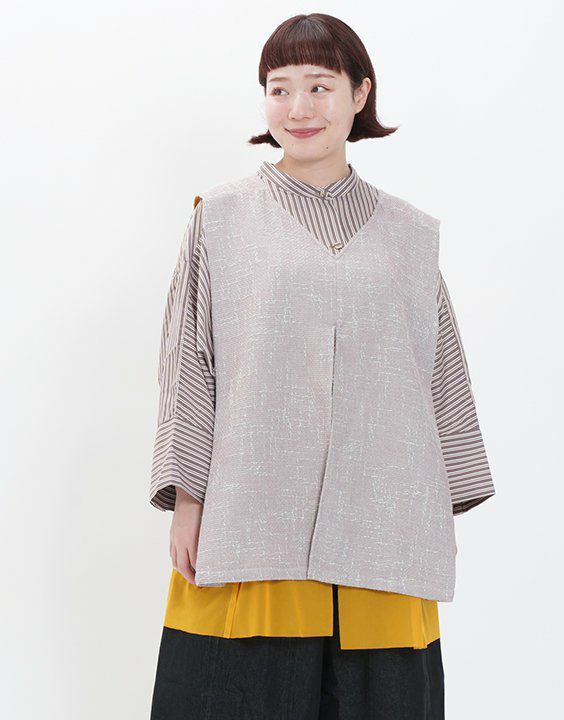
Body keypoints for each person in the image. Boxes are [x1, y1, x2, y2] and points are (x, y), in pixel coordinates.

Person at [148, 12, 496, 720]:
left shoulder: (410, 236)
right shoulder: (219, 219)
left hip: (383, 520)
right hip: (252, 514)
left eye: (319, 86)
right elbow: (190, 367)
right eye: (279, 88)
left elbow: (441, 375)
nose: (298, 108)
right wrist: (189, 501)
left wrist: (436, 510)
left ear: (360, 94)